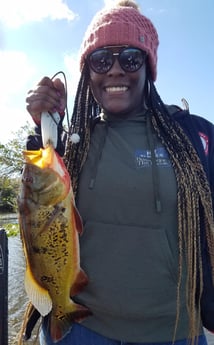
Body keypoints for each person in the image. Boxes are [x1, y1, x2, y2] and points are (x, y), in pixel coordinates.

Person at [24, 1, 214, 344]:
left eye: (129, 58)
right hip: (79, 328)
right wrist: (44, 124)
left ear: (148, 67)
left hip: (172, 331)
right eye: (100, 60)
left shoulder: (194, 138)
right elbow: (39, 195)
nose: (114, 71)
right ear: (87, 72)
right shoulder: (73, 144)